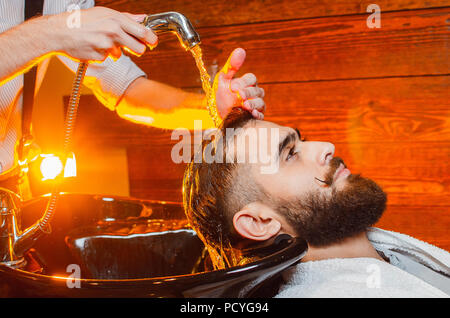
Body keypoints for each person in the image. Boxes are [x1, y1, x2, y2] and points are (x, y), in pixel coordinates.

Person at [0, 1, 265, 195]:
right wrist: (51, 32)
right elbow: (58, 30)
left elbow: (124, 88)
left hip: (12, 190)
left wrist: (210, 110)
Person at [182, 107, 450, 298]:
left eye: (303, 141)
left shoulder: (393, 260)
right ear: (258, 222)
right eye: (289, 154)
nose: (326, 146)